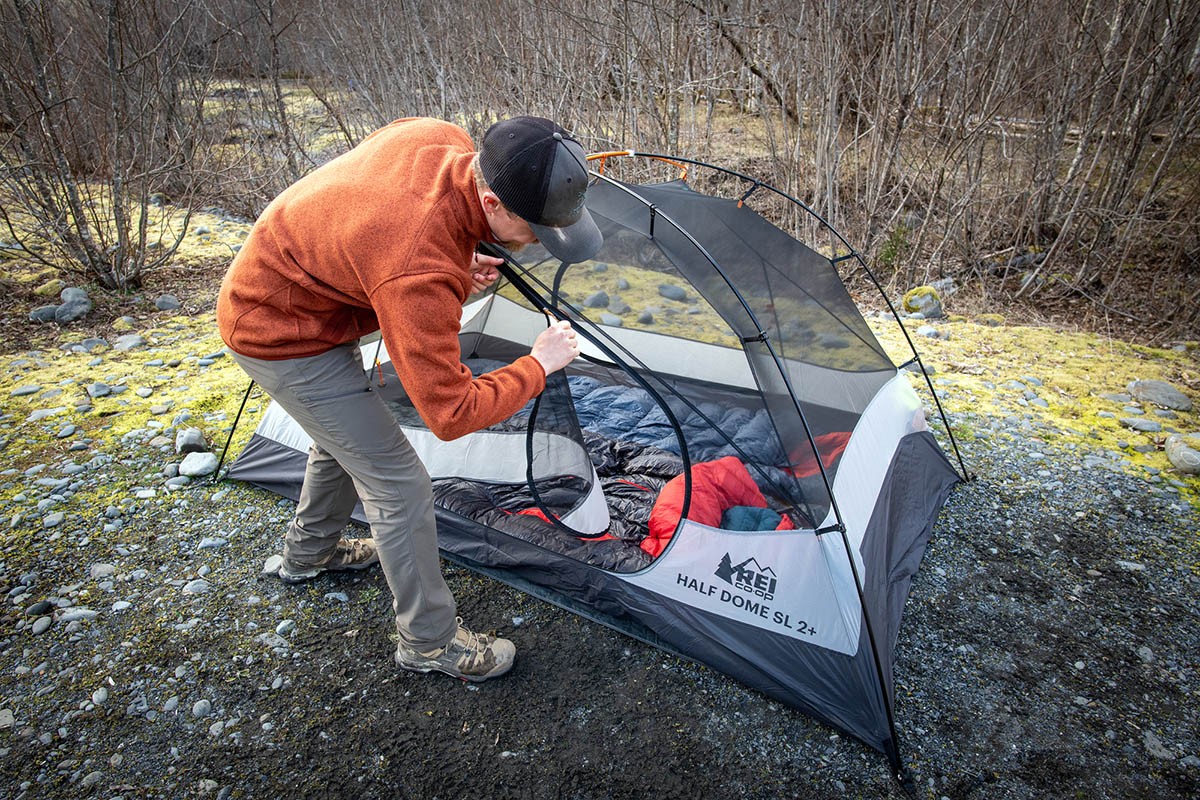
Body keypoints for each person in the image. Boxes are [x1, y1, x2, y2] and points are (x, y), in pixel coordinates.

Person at [216, 116, 602, 682]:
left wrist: (456, 256)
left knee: (349, 438)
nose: (539, 243)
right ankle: (428, 642)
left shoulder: (437, 136)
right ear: (492, 200)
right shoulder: (417, 269)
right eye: (537, 231)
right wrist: (538, 364)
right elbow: (451, 415)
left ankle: (309, 555)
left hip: (308, 294)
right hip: (277, 329)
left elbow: (382, 222)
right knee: (398, 483)